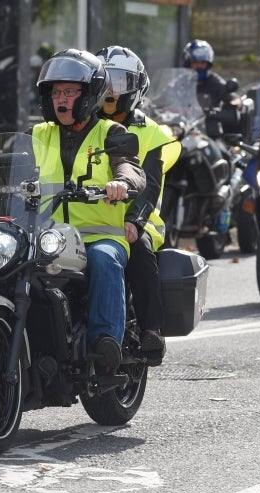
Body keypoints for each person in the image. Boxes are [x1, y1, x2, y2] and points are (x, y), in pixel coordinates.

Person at [0, 49, 146, 374]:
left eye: (70, 91)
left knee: (105, 260)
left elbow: (130, 167)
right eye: (56, 92)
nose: (61, 98)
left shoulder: (111, 133)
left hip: (97, 235)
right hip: (43, 234)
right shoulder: (38, 134)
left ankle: (105, 343)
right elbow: (5, 171)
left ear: (90, 93)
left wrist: (121, 183)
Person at [97, 45, 180, 367]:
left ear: (136, 88)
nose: (110, 90)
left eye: (119, 82)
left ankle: (151, 330)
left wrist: (135, 221)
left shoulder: (152, 133)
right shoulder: (84, 124)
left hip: (140, 218)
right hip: (90, 214)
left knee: (140, 253)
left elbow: (152, 184)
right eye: (105, 81)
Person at [182, 39, 239, 112]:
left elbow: (235, 99)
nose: (199, 66)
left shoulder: (215, 82)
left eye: (202, 63)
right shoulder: (182, 82)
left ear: (208, 64)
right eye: (195, 62)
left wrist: (232, 105)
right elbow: (164, 97)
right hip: (182, 122)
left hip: (208, 121)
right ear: (188, 64)